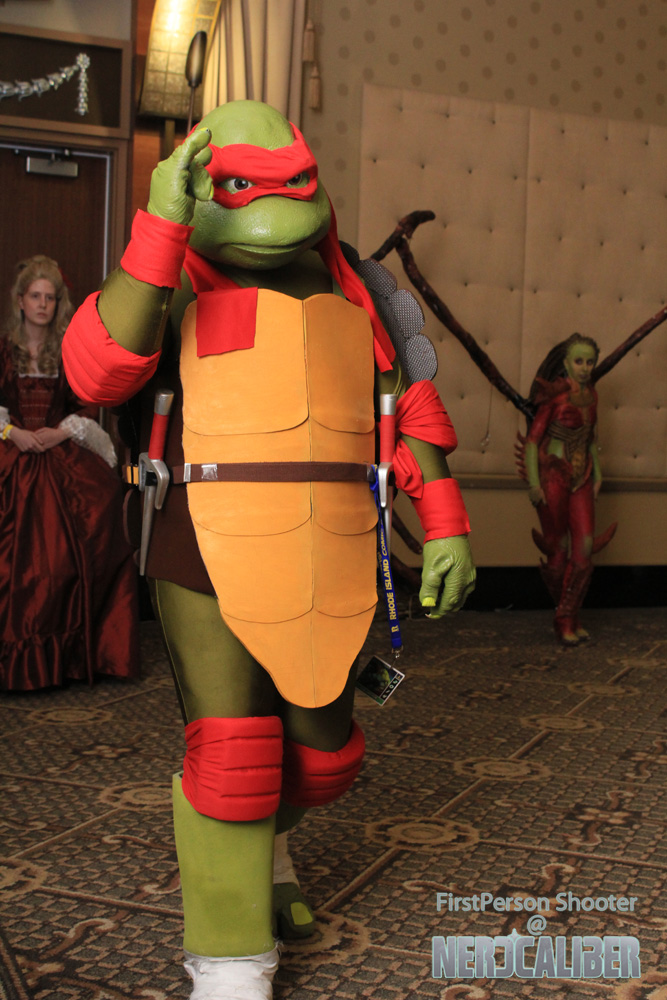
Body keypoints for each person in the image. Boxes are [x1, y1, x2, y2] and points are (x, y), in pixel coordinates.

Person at [62, 101, 476, 999]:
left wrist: (444, 521)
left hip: (335, 543)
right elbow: (96, 369)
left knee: (325, 750)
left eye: (293, 182)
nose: (272, 206)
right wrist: (159, 228)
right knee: (232, 749)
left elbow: (409, 402)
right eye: (245, 186)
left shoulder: (358, 286)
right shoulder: (170, 273)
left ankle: (269, 854)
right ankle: (229, 964)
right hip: (202, 540)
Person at [0, 255, 139, 691]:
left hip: (58, 450)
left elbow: (84, 405)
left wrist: (60, 433)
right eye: (35, 296)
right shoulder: (3, 350)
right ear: (20, 301)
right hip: (11, 449)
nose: (43, 304)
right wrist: (12, 432)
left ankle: (71, 657)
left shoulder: (66, 350)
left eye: (50, 297)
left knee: (97, 516)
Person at [523, 332, 608, 646]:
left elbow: (590, 437)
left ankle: (568, 616)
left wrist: (597, 474)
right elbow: (533, 442)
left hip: (582, 477)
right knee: (557, 549)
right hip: (554, 477)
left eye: (590, 362)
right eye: (579, 361)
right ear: (567, 364)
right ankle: (565, 620)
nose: (585, 368)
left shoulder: (593, 396)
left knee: (583, 547)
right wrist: (535, 483)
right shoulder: (554, 397)